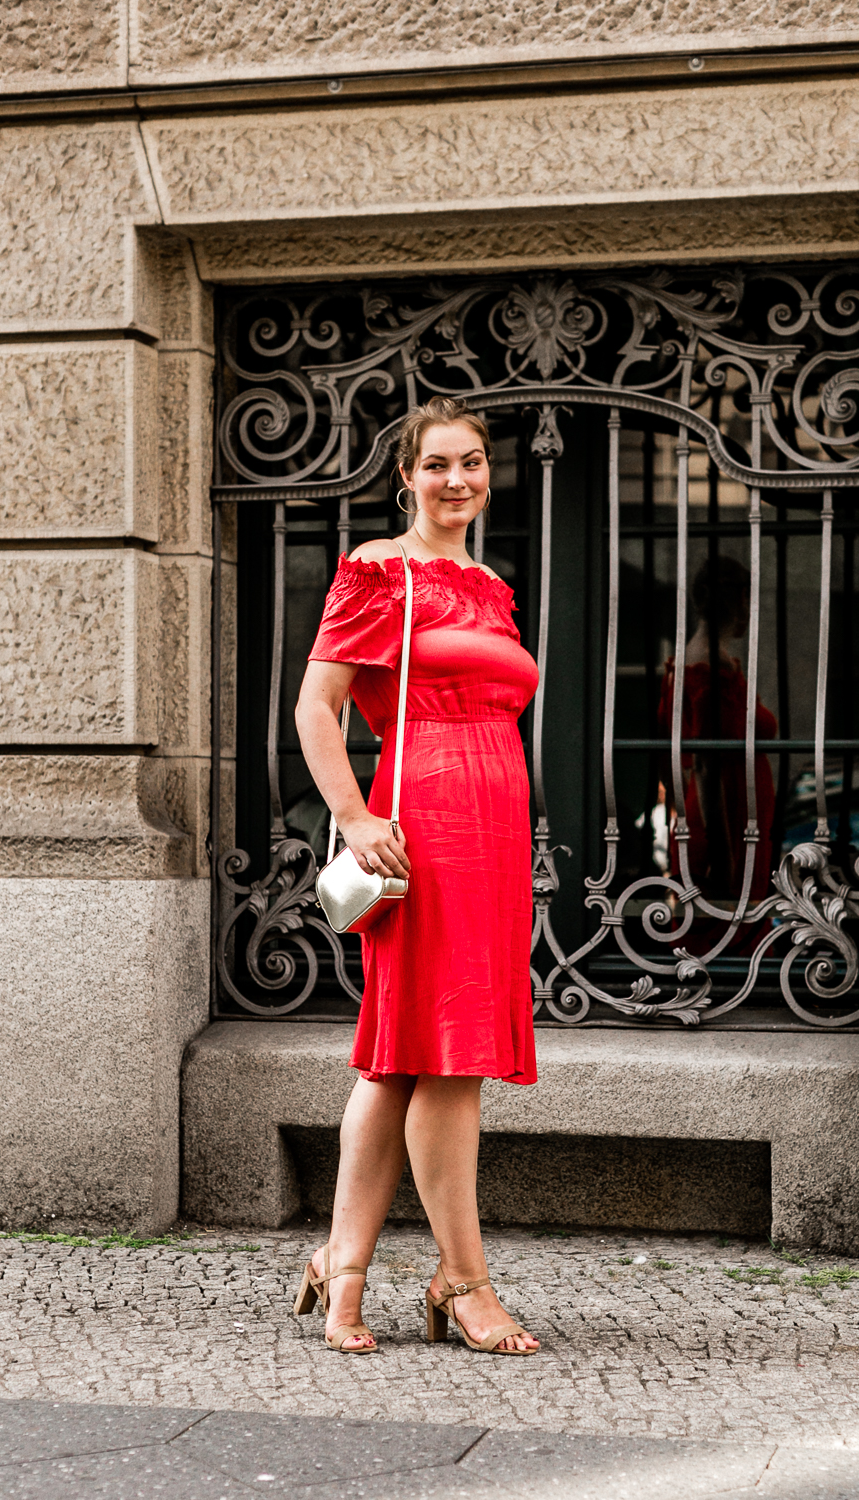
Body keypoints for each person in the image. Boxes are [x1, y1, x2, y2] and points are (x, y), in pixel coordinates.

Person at [291, 397, 540, 1356]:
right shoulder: (376, 571)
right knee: (443, 1052)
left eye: (472, 463)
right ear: (407, 475)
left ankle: (342, 1269)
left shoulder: (491, 584)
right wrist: (354, 820)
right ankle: (464, 1281)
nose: (458, 481)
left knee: (402, 1056)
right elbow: (319, 707)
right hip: (417, 824)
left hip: (493, 826)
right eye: (437, 465)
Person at [656, 557, 777, 908]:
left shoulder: (682, 664)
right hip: (726, 818)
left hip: (709, 814)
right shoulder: (709, 665)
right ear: (740, 598)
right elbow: (707, 765)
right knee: (728, 922)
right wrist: (724, 860)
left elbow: (668, 754)